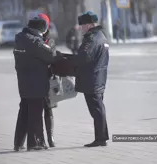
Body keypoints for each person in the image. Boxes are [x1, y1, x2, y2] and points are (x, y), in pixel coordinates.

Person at [13, 16, 62, 151]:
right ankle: (36, 143)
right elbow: (50, 55)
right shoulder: (35, 41)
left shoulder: (20, 38)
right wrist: (52, 46)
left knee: (24, 112)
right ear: (41, 29)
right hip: (36, 83)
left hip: (24, 82)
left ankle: (18, 142)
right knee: (35, 112)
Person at [65, 11, 110, 147]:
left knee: (96, 110)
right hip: (98, 77)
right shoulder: (101, 36)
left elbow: (83, 58)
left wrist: (67, 59)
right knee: (99, 108)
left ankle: (100, 139)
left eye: (83, 25)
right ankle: (102, 137)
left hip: (92, 79)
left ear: (90, 25)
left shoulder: (91, 39)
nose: (82, 28)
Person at [38, 13, 56, 148]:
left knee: (48, 110)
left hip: (48, 79)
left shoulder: (49, 40)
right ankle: (40, 138)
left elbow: (53, 58)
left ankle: (50, 137)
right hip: (36, 79)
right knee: (37, 110)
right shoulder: (32, 39)